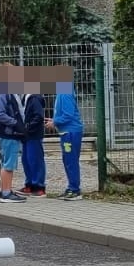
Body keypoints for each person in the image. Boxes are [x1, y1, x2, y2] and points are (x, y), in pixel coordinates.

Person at [0, 65, 28, 203]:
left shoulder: (4, 90)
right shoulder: (4, 91)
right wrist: (15, 122)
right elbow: (0, 114)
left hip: (7, 132)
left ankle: (3, 191)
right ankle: (6, 192)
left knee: (7, 163)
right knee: (9, 164)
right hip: (8, 133)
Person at [46, 72, 85, 201]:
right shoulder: (63, 92)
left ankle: (75, 190)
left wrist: (54, 122)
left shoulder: (65, 93)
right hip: (67, 132)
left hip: (70, 133)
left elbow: (68, 115)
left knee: (71, 161)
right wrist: (54, 120)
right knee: (68, 160)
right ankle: (71, 187)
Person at [19, 84, 48, 197]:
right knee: (26, 159)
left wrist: (27, 127)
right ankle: (30, 184)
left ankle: (39, 186)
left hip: (33, 134)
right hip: (28, 134)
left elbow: (38, 116)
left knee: (34, 159)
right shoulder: (28, 97)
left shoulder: (34, 98)